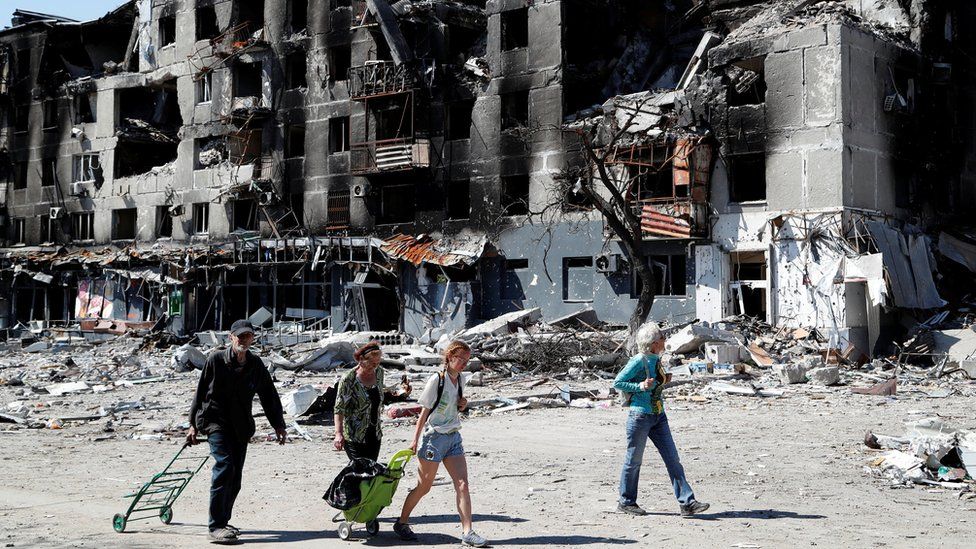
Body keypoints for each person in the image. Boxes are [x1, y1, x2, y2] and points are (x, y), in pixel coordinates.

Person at [186, 319, 288, 544]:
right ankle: (215, 526)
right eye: (239, 336)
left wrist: (278, 425)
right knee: (225, 466)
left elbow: (268, 395)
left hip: (241, 425)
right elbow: (201, 391)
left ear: (253, 339)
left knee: (236, 476)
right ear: (231, 337)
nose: (243, 340)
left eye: (248, 336)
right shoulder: (215, 360)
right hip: (215, 422)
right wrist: (192, 424)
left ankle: (223, 520)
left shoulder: (254, 364)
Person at [393, 340, 487, 548]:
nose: (463, 363)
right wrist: (414, 440)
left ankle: (467, 532)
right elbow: (423, 413)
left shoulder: (460, 379)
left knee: (462, 484)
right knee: (424, 487)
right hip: (433, 439)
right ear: (450, 356)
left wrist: (463, 405)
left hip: (453, 436)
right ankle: (402, 522)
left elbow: (457, 406)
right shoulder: (437, 380)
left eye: (466, 360)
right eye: (460, 359)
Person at [614, 322, 709, 517]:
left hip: (658, 415)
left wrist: (664, 380)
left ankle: (687, 503)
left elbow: (656, 382)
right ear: (654, 342)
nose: (665, 341)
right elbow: (618, 382)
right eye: (662, 338)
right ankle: (626, 501)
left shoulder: (655, 359)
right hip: (640, 415)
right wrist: (640, 386)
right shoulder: (639, 360)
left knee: (673, 459)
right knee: (634, 460)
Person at [333, 342, 387, 461]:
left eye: (377, 363)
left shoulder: (379, 373)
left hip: (374, 433)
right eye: (372, 363)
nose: (375, 366)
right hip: (354, 435)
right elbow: (339, 408)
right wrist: (338, 433)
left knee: (371, 470)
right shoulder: (349, 379)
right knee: (360, 470)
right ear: (361, 360)